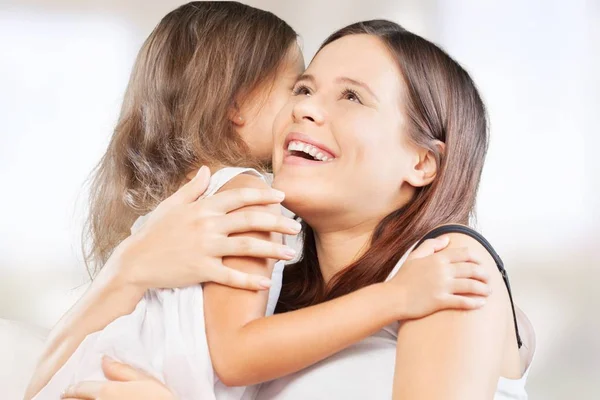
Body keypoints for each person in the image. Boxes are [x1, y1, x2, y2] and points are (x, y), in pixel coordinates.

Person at [26, 5, 493, 400]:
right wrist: (125, 270)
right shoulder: (255, 245)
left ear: (423, 161)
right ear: (236, 102)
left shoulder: (445, 267)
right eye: (303, 88)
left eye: (352, 96)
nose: (303, 108)